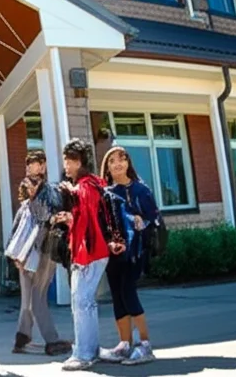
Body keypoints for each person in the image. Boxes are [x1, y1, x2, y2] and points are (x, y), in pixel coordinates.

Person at [53, 138, 125, 372]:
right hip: (97, 250)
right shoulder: (94, 183)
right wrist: (70, 218)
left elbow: (86, 221)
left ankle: (84, 353)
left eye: (68, 160)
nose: (66, 165)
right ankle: (90, 349)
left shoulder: (83, 187)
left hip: (88, 252)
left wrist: (71, 206)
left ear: (78, 162)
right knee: (87, 303)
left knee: (81, 303)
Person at [98, 146, 158, 365]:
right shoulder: (106, 193)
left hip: (135, 251)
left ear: (128, 163)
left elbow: (154, 216)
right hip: (113, 252)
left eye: (122, 159)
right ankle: (124, 344)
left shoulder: (141, 189)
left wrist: (143, 221)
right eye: (112, 160)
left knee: (128, 291)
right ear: (107, 166)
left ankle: (145, 345)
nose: (117, 164)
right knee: (117, 295)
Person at [10, 173, 71, 357]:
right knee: (37, 298)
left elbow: (14, 232)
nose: (31, 187)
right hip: (40, 255)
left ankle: (22, 337)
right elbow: (44, 220)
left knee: (28, 300)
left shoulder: (25, 207)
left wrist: (14, 256)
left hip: (24, 256)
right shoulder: (39, 204)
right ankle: (52, 341)